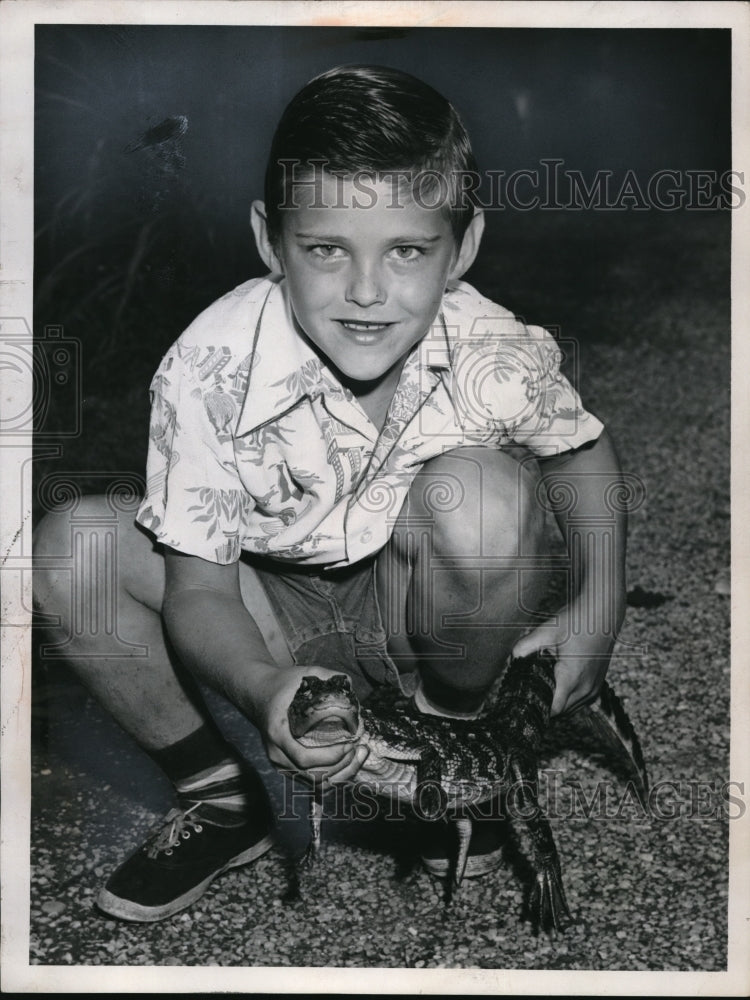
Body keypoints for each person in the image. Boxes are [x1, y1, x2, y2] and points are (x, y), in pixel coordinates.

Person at [33, 65, 627, 923]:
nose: (365, 291)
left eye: (409, 251)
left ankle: (443, 754)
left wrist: (600, 604)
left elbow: (583, 452)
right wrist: (263, 686)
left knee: (485, 501)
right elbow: (199, 588)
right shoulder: (210, 365)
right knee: (68, 550)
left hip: (407, 609)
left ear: (461, 248)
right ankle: (225, 793)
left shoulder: (491, 346)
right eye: (325, 249)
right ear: (271, 241)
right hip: (262, 604)